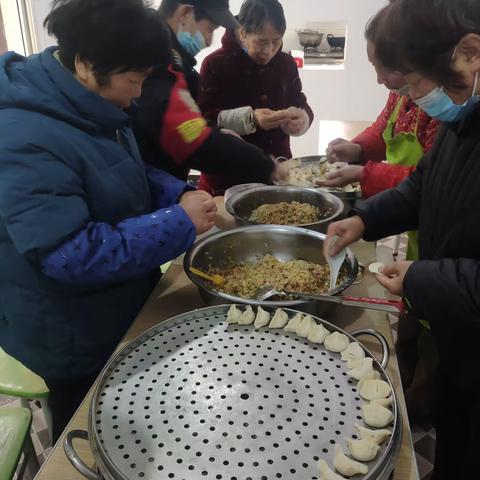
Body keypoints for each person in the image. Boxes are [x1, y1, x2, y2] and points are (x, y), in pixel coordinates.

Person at [0, 0, 216, 441]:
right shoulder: (22, 136)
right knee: (90, 432)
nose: (138, 93)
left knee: (138, 418)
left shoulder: (88, 101)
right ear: (84, 63)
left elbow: (118, 171)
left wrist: (178, 193)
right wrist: (178, 223)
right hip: (69, 329)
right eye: (133, 80)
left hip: (117, 305)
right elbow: (68, 254)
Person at [325, 0, 480, 477]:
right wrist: (365, 220)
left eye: (412, 81)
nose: (410, 98)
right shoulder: (464, 118)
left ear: (469, 53)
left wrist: (423, 278)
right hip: (460, 336)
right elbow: (422, 186)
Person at [323, 6, 439, 261]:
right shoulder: (401, 93)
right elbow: (384, 128)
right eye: (374, 66)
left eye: (386, 68)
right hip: (409, 213)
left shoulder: (441, 106)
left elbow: (428, 183)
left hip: (435, 223)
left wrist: (366, 173)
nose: (379, 79)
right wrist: (358, 149)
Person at [133, 0, 285, 194]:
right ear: (185, 14)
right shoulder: (158, 65)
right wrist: (265, 164)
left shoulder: (176, 62)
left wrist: (216, 131)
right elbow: (192, 138)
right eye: (210, 29)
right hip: (148, 190)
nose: (208, 40)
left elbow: (194, 120)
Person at [198, 0, 313, 194]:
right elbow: (203, 120)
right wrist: (250, 118)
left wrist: (302, 120)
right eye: (261, 41)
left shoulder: (285, 64)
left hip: (278, 173)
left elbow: (300, 102)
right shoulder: (215, 64)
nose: (268, 50)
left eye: (276, 41)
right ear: (243, 33)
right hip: (227, 179)